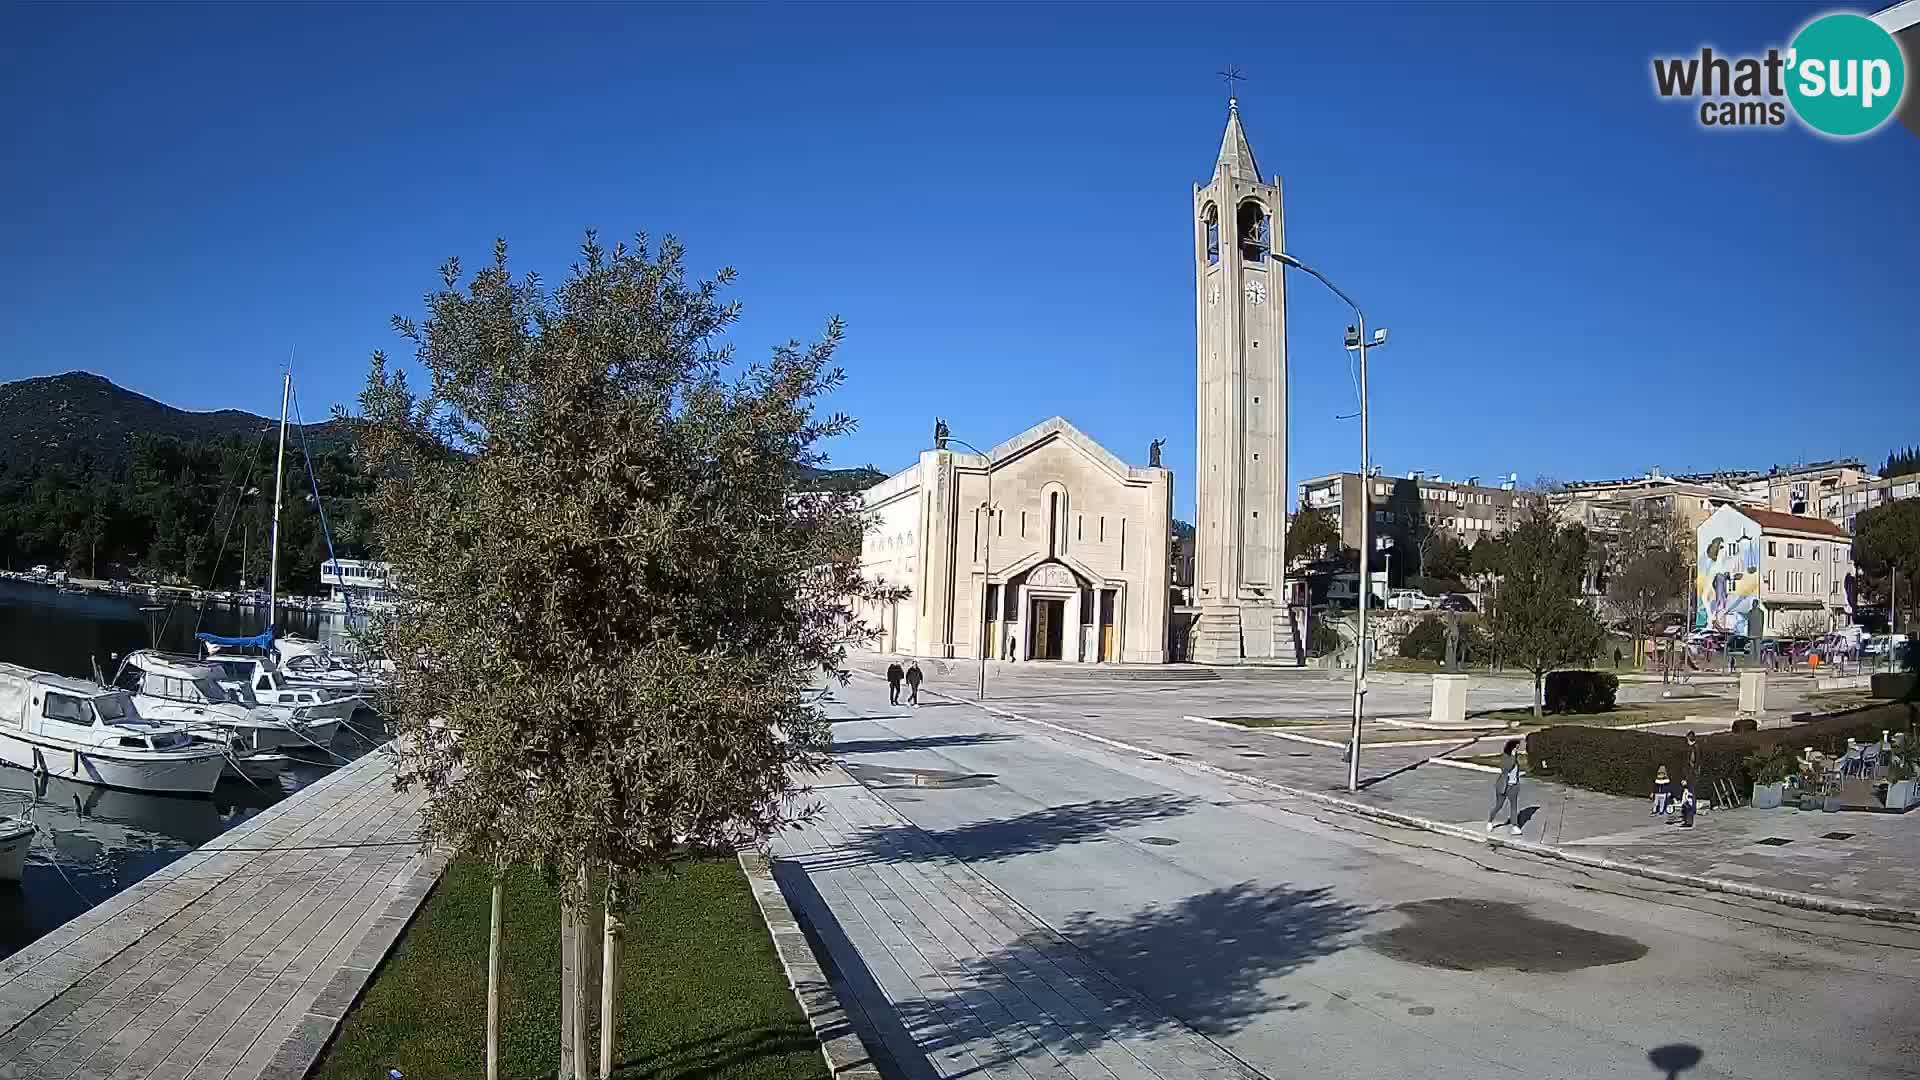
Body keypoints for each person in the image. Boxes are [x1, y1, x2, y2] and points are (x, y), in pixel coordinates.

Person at [1488, 739, 1523, 836]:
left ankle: (1515, 826)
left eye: (1518, 747)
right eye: (1516, 747)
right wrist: (1512, 756)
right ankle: (1490, 821)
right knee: (1499, 806)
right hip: (1503, 786)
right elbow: (1507, 768)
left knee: (1514, 807)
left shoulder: (1514, 757)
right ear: (1512, 747)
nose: (1517, 749)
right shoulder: (1506, 757)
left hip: (1514, 786)